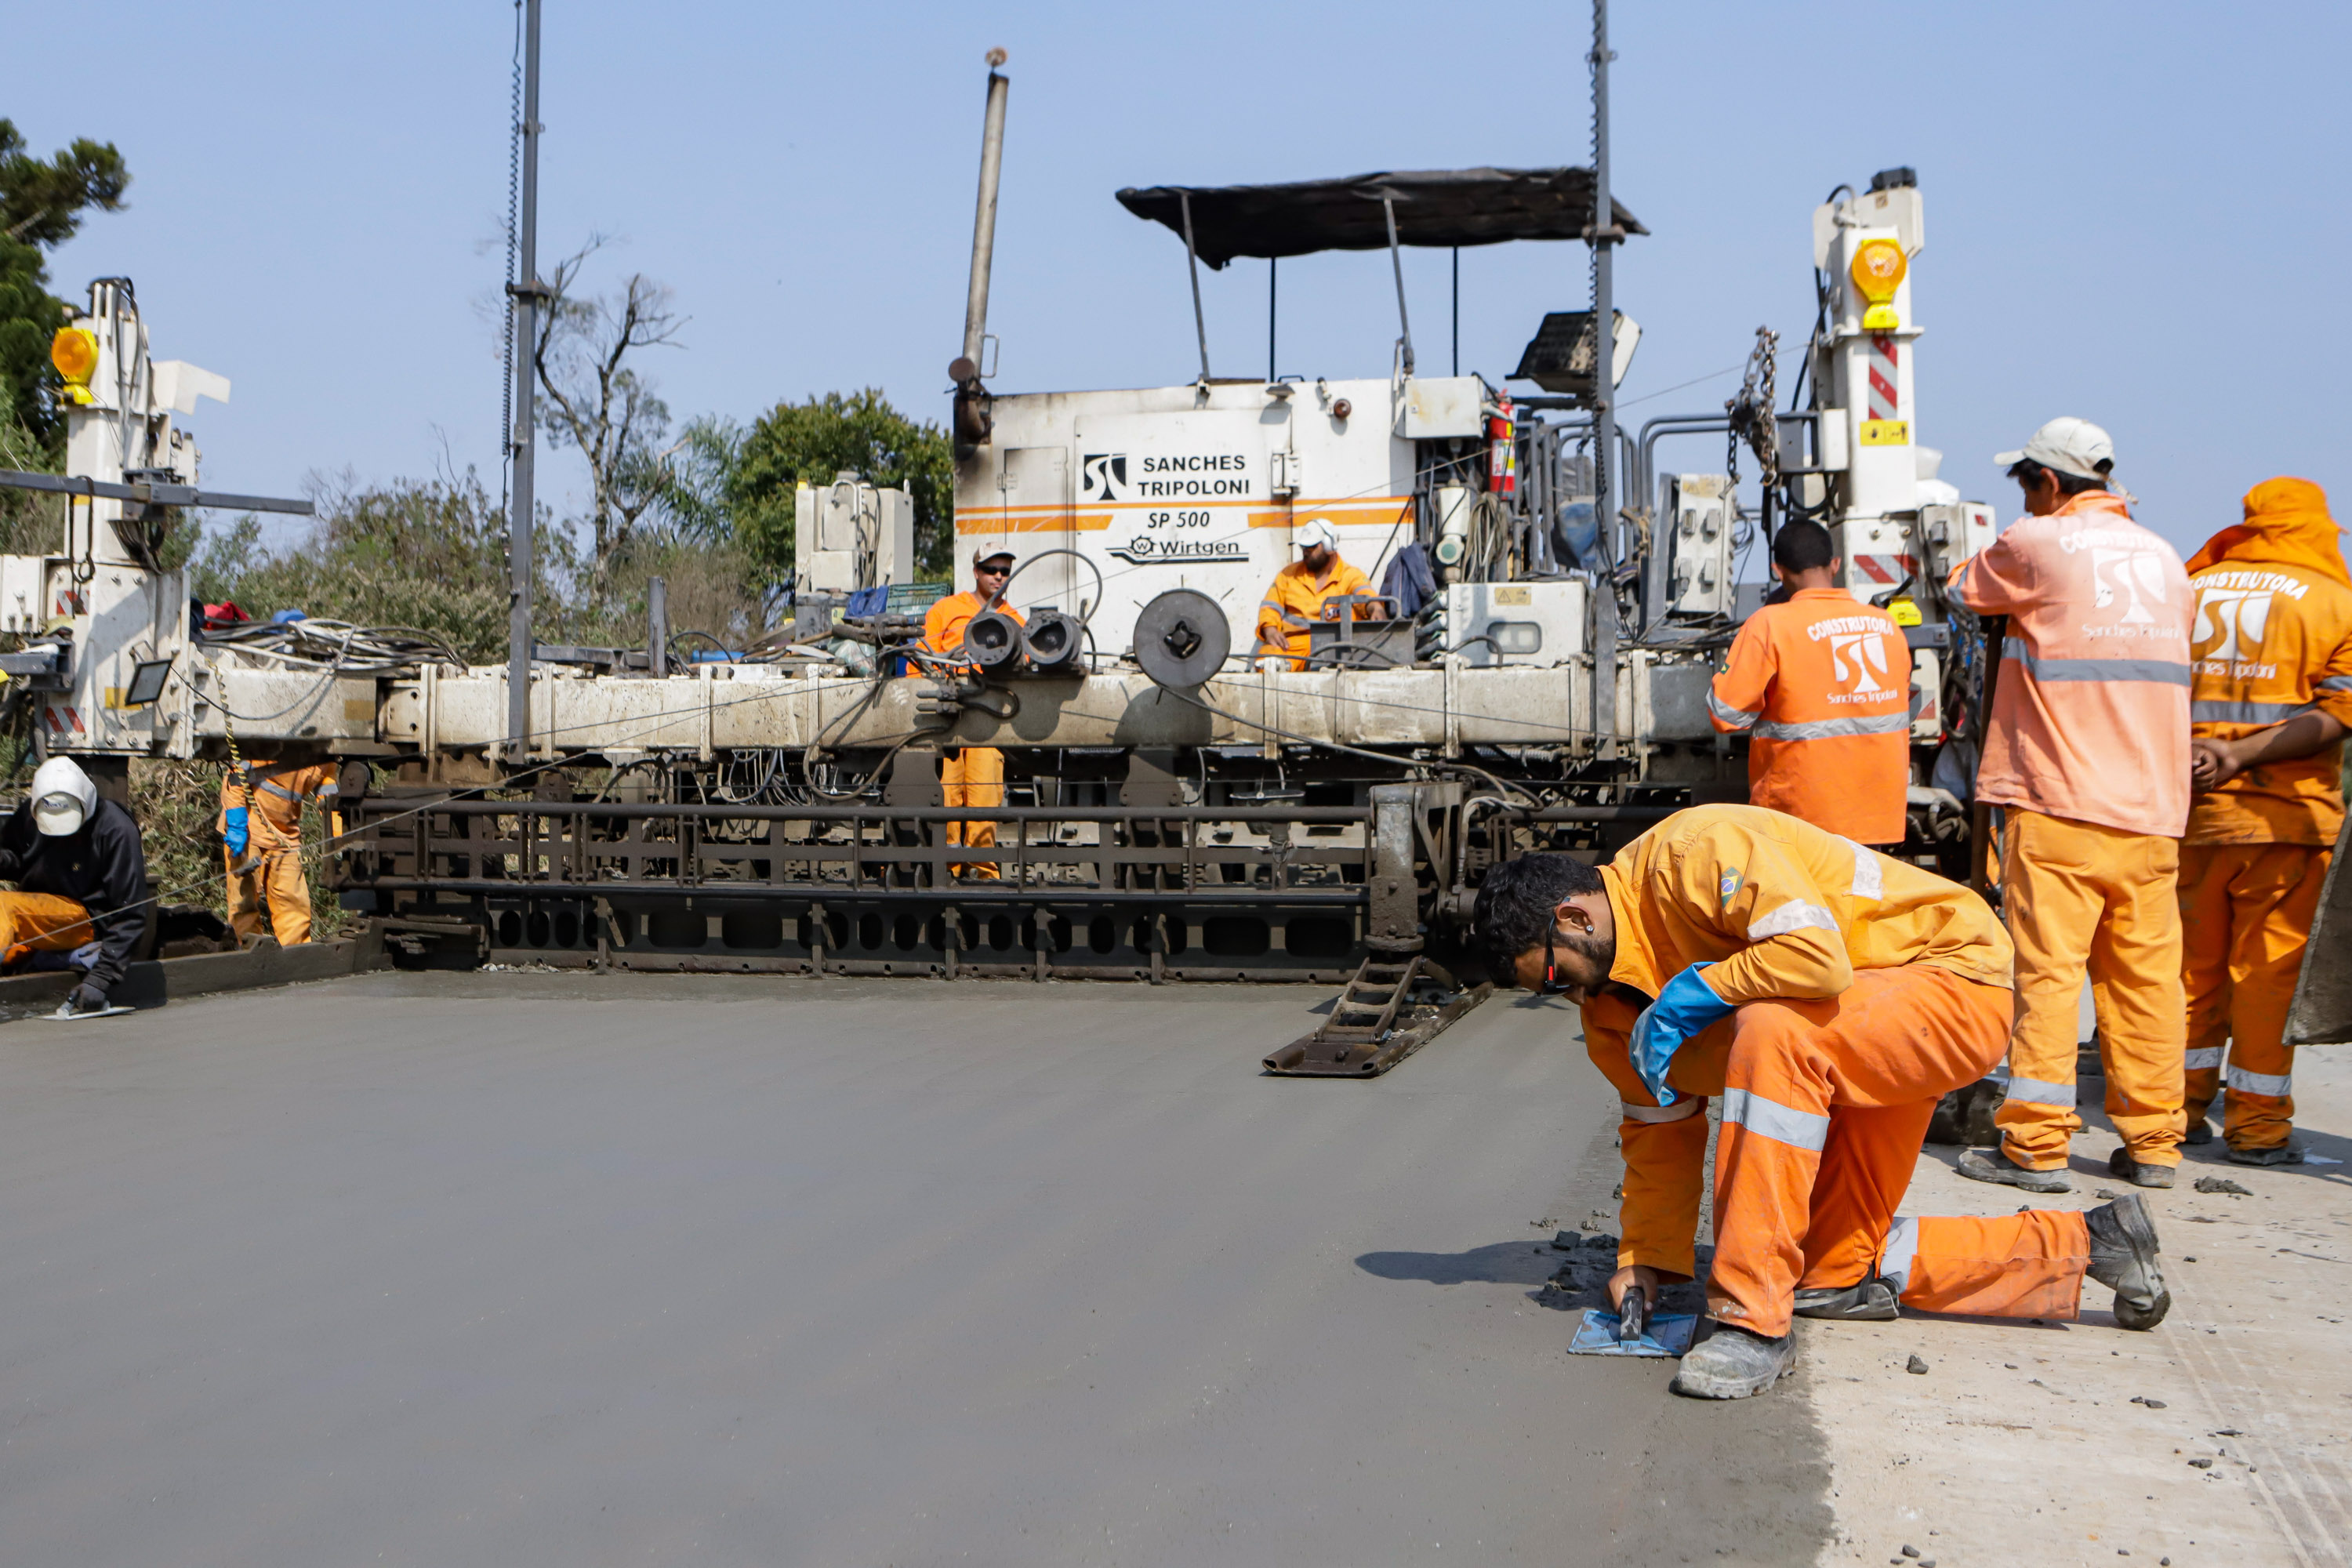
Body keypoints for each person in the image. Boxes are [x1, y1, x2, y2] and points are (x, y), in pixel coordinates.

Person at [1472, 808, 2172, 1402]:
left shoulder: (1693, 852)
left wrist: (1702, 990)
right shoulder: (1610, 1012)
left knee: (1771, 1031)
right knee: (1829, 1272)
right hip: (1855, 1033)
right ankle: (2093, 1245)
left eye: (1558, 974)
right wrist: (1647, 1259)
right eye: (1549, 992)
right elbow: (1659, 1130)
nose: (1570, 997)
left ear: (1572, 916)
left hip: (1945, 979)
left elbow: (1816, 960)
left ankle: (1753, 1325)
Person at [1947, 417, 2194, 1194]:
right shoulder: (2165, 560)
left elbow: (1961, 587)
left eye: (2024, 481)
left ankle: (2035, 1145)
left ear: (2050, 482)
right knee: (2146, 979)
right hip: (2153, 810)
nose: (2023, 496)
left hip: (2059, 803)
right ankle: (2154, 1142)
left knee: (2049, 975)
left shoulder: (2038, 541)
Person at [2176, 477, 2352, 1164]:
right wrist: (2243, 755)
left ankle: (2174, 1112)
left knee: (2189, 973)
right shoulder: (2334, 600)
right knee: (2266, 979)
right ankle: (2256, 1128)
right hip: (2287, 822)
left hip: (2191, 817)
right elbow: (2338, 713)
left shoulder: (2191, 588)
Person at [1707, 518, 1914, 844]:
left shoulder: (1770, 625)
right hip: (1879, 818)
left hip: (1800, 821)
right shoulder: (1887, 626)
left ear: (1778, 570)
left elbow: (1726, 715)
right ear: (1835, 564)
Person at [0, 755, 149, 1014]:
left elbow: (131, 913)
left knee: (6, 908)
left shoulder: (115, 830)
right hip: (39, 917)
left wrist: (101, 979)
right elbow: (14, 859)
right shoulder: (30, 815)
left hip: (85, 920)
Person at [921, 548, 1025, 880]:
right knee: (948, 793)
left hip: (989, 719)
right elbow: (920, 659)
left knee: (984, 792)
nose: (998, 575)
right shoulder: (946, 610)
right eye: (991, 569)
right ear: (976, 571)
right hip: (947, 716)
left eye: (1005, 571)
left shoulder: (1015, 620)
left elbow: (1026, 669)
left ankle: (982, 870)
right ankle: (948, 868)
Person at [218, 757, 339, 946]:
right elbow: (234, 779)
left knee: (293, 905)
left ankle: (297, 958)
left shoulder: (324, 758)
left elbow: (329, 795)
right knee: (244, 905)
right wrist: (236, 824)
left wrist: (339, 837)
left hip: (285, 836)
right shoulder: (272, 746)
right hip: (249, 832)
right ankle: (246, 955)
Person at [1254, 518, 1373, 670]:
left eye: (1312, 546)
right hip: (1292, 646)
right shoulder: (1288, 575)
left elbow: (1364, 593)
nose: (1306, 551)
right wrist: (1270, 629)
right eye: (1304, 547)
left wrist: (1374, 607)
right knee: (1266, 662)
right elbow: (1270, 606)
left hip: (1336, 647)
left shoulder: (1350, 575)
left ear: (1330, 546)